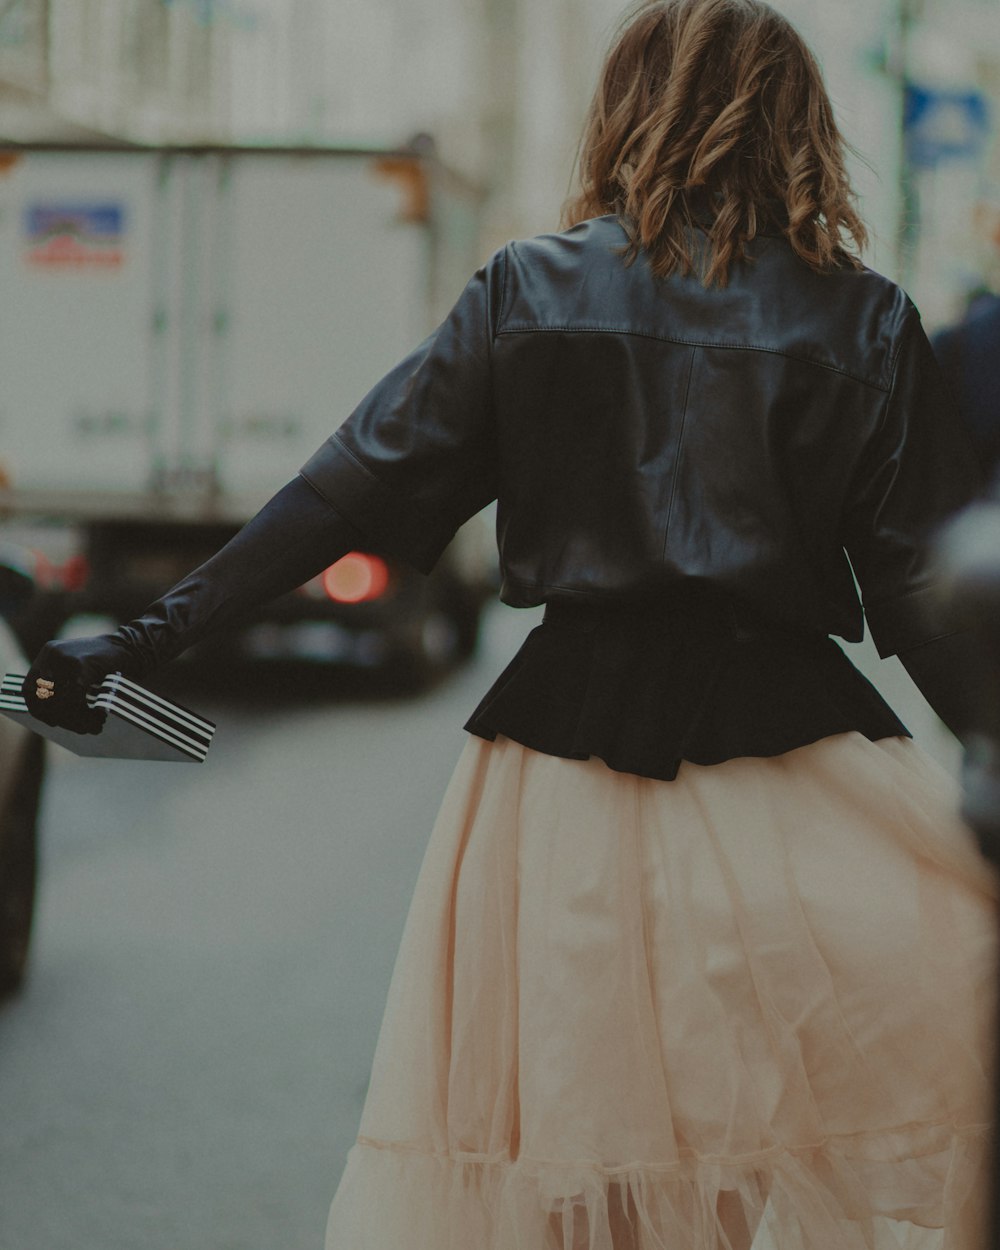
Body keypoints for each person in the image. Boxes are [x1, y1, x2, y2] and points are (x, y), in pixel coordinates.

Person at [22, 1, 999, 1246]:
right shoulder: (860, 321)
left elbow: (345, 489)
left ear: (625, 113)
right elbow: (930, 600)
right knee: (776, 1140)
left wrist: (142, 638)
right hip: (791, 776)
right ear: (799, 127)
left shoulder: (528, 291)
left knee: (571, 1164)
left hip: (560, 793)